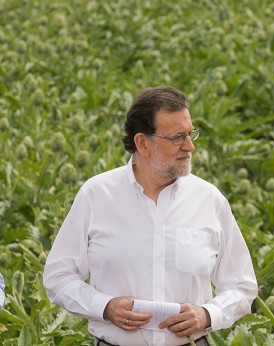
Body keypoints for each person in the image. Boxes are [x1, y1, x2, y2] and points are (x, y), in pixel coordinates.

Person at [43, 86, 258, 346]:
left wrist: (208, 314)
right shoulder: (96, 195)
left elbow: (242, 286)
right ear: (143, 143)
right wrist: (105, 307)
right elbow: (58, 276)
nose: (189, 146)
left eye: (191, 134)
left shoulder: (210, 200)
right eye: (177, 137)